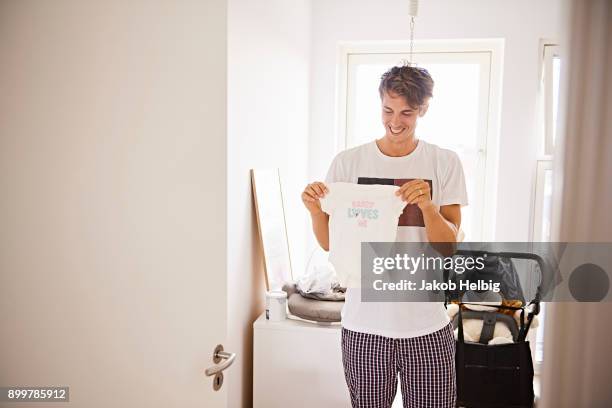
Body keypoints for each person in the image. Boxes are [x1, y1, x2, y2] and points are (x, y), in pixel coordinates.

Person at [301, 65, 468, 408]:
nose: (396, 121)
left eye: (407, 112)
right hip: (364, 328)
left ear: (423, 109)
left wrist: (429, 208)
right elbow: (331, 243)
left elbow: (448, 247)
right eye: (388, 110)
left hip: (427, 327)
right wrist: (315, 210)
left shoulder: (445, 162)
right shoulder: (349, 163)